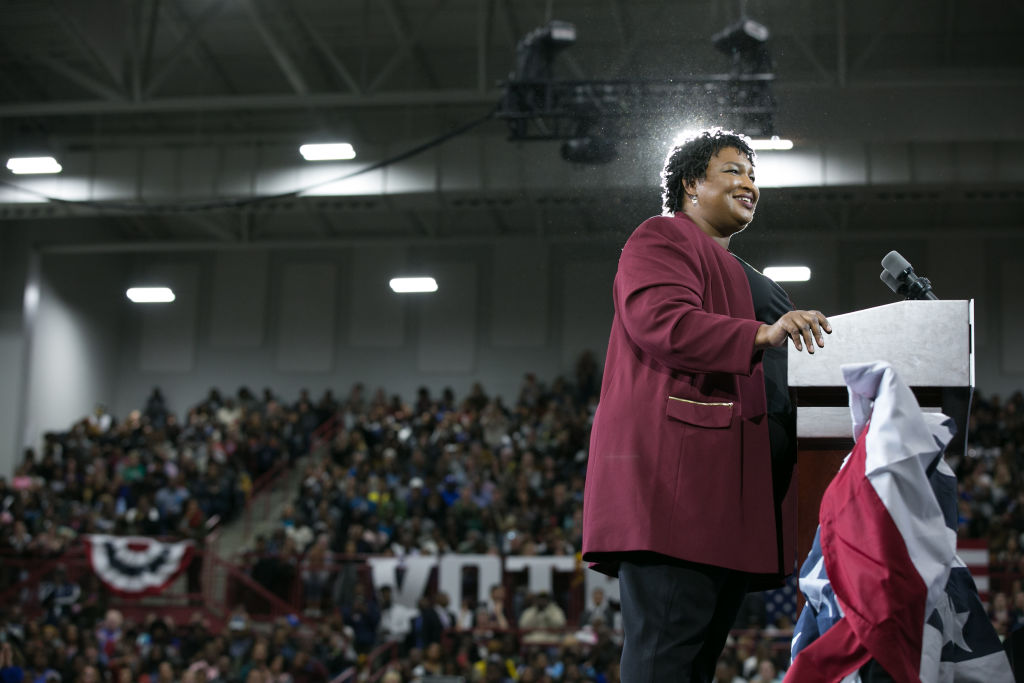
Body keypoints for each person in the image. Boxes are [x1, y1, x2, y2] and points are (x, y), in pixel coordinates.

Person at [582, 128, 831, 682]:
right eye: (733, 170)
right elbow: (661, 321)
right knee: (663, 661)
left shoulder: (750, 278)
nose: (749, 183)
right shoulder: (662, 238)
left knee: (693, 665)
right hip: (680, 490)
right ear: (692, 184)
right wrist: (761, 335)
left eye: (753, 174)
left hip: (735, 495)